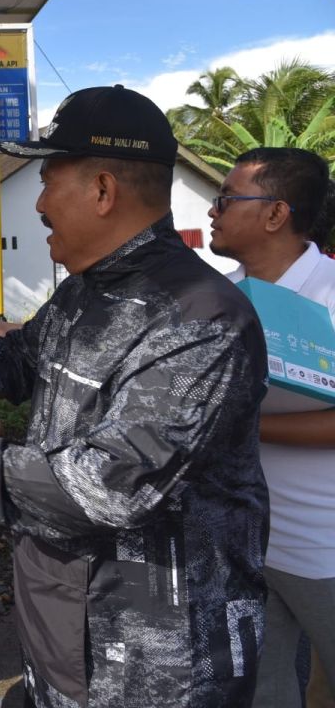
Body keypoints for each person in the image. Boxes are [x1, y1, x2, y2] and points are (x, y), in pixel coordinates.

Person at [0, 85, 270, 707]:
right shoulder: (87, 291)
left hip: (154, 664)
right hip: (61, 629)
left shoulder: (201, 319)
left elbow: (109, 487)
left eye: (50, 181)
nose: (41, 204)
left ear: (103, 190)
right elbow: (28, 366)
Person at [206, 147, 335, 708]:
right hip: (241, 543)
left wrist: (239, 425)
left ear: (276, 213)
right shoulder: (219, 296)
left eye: (228, 198)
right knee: (261, 690)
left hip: (322, 547)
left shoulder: (330, 294)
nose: (214, 210)